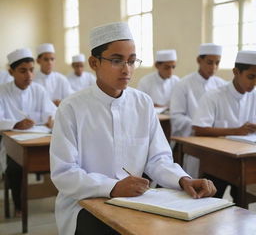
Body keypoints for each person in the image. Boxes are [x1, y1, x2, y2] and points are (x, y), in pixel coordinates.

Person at [50, 22, 216, 235]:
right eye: (117, 60)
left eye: (131, 61)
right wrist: (112, 187)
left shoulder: (142, 103)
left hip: (137, 200)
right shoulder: (72, 108)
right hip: (85, 202)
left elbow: (158, 159)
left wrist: (183, 179)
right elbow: (65, 173)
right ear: (94, 62)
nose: (126, 69)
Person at [192, 50, 256, 202]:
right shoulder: (214, 96)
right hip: (218, 161)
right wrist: (236, 131)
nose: (254, 83)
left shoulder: (254, 95)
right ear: (236, 72)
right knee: (212, 202)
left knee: (242, 200)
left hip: (245, 157)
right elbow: (199, 128)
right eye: (251, 77)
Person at [0, 48, 57, 216]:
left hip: (38, 139)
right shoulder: (2, 91)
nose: (29, 75)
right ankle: (18, 205)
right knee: (15, 168)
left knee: (58, 160)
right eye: (23, 71)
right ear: (11, 72)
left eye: (31, 70)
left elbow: (51, 111)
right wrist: (16, 124)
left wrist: (51, 118)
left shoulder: (38, 90)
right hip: (12, 143)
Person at [170, 43, 226, 178]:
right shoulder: (183, 85)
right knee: (195, 177)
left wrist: (215, 129)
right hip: (193, 140)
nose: (213, 67)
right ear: (199, 60)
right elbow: (176, 116)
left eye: (217, 63)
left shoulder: (221, 85)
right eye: (209, 62)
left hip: (219, 141)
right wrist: (200, 127)